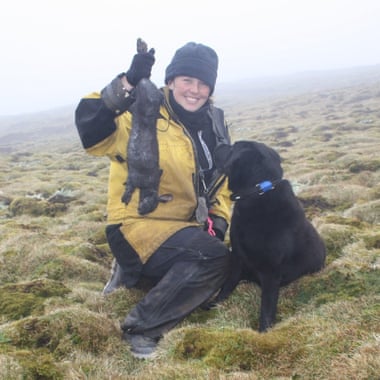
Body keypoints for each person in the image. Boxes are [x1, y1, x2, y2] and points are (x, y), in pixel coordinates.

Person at [75, 39, 232, 359]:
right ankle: (141, 330)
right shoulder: (141, 110)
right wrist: (128, 83)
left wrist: (219, 218)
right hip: (135, 224)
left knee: (223, 261)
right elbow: (91, 128)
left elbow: (222, 182)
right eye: (187, 80)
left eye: (203, 83)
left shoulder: (213, 124)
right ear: (170, 81)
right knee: (212, 258)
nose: (195, 90)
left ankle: (134, 274)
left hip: (184, 228)